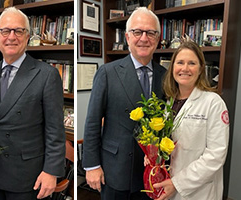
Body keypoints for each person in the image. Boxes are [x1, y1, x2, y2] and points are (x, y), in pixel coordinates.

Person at [82, 7, 167, 199]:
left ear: (158, 39)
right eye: (137, 32)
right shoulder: (107, 73)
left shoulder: (165, 76)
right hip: (115, 169)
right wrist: (92, 166)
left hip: (151, 170)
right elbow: (93, 122)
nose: (144, 38)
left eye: (151, 33)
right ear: (127, 37)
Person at [0, 7, 65, 200]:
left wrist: (51, 172)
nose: (11, 36)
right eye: (5, 31)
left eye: (18, 31)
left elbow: (55, 129)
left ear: (27, 36)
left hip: (28, 175)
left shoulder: (47, 74)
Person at [151, 41, 229, 200]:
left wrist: (178, 183)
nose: (185, 68)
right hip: (169, 183)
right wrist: (153, 154)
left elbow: (216, 155)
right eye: (180, 63)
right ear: (172, 68)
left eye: (191, 63)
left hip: (199, 190)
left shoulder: (213, 102)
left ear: (200, 69)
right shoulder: (169, 102)